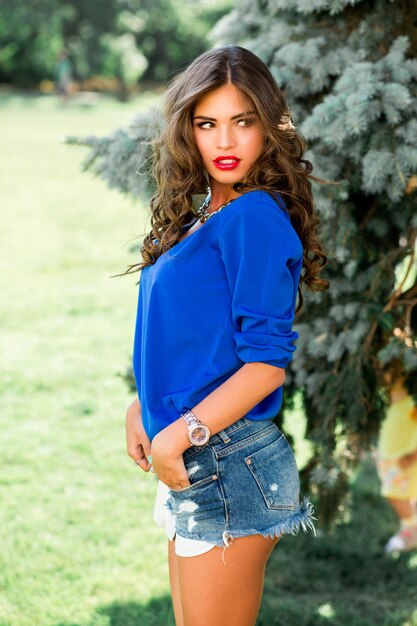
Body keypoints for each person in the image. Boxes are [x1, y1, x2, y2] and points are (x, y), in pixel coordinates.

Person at [125, 45, 329, 626]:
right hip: (199, 449)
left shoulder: (254, 217)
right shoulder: (203, 215)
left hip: (228, 458)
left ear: (268, 126)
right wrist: (144, 404)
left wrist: (177, 435)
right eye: (207, 123)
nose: (225, 142)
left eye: (243, 122)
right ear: (187, 129)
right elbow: (189, 339)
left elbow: (265, 364)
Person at [376, 362, 417, 553]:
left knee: (394, 493)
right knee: (404, 491)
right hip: (392, 452)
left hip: (405, 456)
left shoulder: (411, 397)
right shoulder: (398, 390)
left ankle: (411, 528)